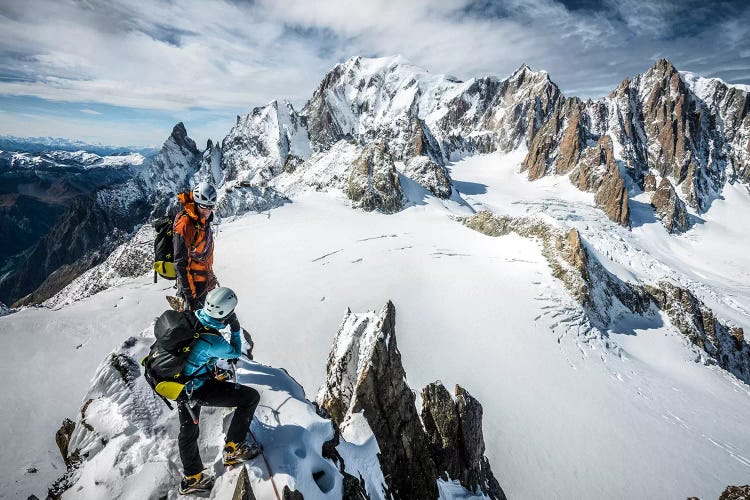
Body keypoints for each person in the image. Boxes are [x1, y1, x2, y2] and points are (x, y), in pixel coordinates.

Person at [176, 287, 261, 495]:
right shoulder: (213, 340)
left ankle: (192, 477)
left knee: (188, 431)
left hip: (178, 380)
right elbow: (233, 352)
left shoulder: (192, 317)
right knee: (250, 398)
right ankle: (233, 449)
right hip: (194, 389)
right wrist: (235, 329)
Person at [174, 181, 219, 311]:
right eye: (203, 206)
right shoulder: (186, 225)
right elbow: (181, 264)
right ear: (196, 202)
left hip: (204, 282)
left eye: (210, 206)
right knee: (194, 325)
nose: (208, 210)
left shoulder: (202, 222)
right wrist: (191, 297)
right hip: (193, 286)